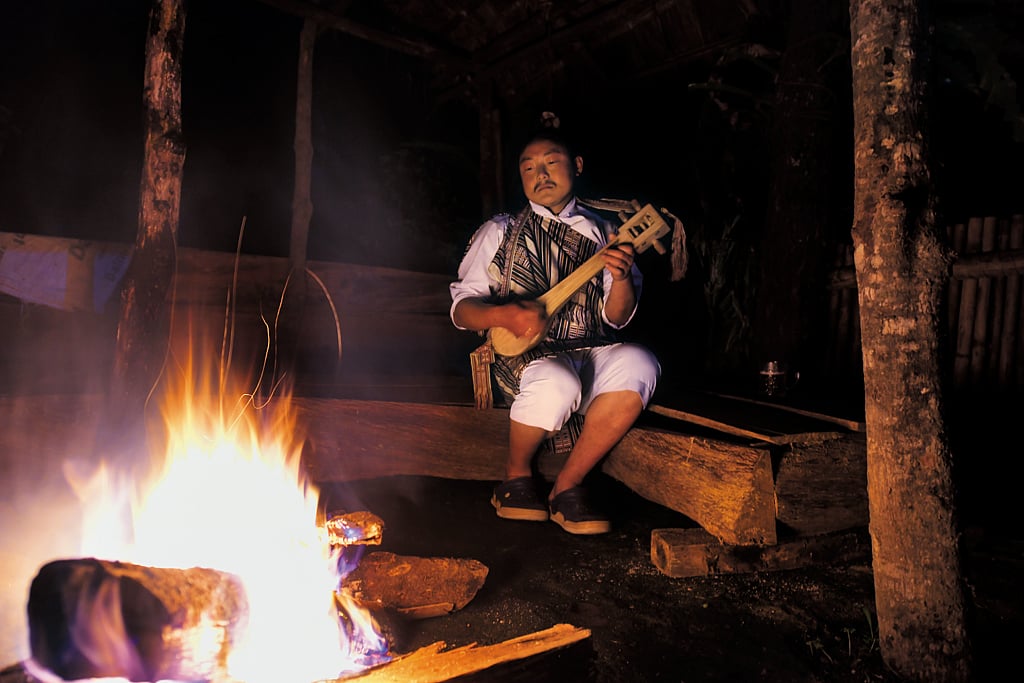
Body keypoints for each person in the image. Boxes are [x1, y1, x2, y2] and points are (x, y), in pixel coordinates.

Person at [449, 113, 661, 535]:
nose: (539, 175)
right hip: (523, 363)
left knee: (642, 363)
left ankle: (568, 486)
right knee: (556, 380)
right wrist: (503, 314)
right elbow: (460, 310)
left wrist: (620, 277)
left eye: (551, 162)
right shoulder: (501, 232)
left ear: (577, 166)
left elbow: (615, 320)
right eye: (528, 168)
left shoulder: (608, 232)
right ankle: (514, 477)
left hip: (588, 350)